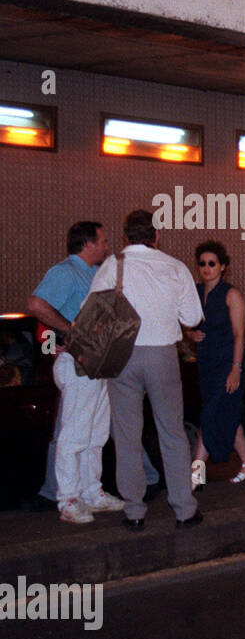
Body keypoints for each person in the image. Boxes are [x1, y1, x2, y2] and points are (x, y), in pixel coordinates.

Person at [89, 209, 205, 528]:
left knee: (127, 434)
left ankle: (135, 511)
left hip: (122, 356)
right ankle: (184, 508)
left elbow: (93, 312)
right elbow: (193, 318)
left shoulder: (113, 266)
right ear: (156, 236)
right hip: (162, 356)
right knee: (172, 431)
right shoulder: (174, 267)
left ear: (126, 236)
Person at [26, 220, 124, 523]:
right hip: (78, 360)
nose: (108, 247)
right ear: (88, 245)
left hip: (99, 361)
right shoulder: (65, 272)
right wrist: (69, 330)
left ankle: (91, 492)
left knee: (96, 433)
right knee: (74, 433)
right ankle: (67, 499)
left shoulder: (95, 274)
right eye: (104, 242)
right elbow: (35, 304)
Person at [186, 240, 245, 485]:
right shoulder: (195, 292)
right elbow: (186, 321)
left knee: (209, 416)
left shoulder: (232, 294)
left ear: (223, 266)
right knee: (227, 415)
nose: (206, 268)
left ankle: (195, 476)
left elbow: (240, 334)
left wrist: (236, 369)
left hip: (228, 363)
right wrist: (190, 334)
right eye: (202, 263)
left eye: (212, 263)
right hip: (206, 363)